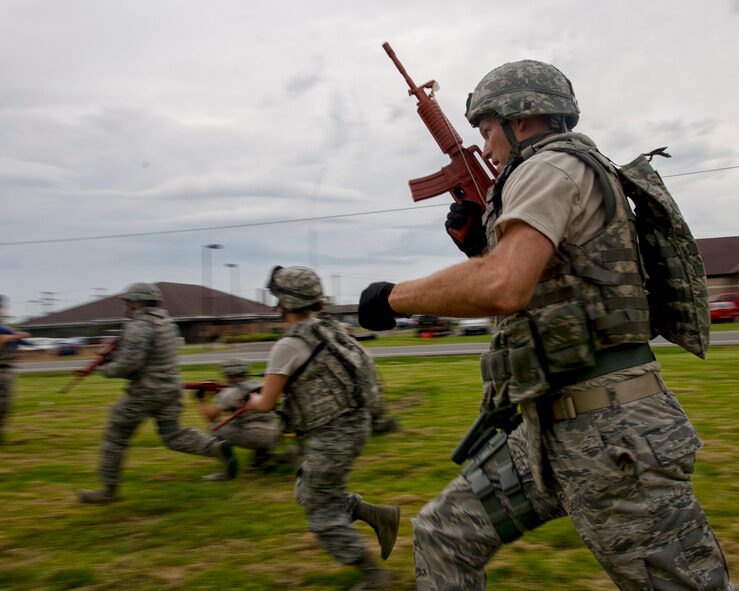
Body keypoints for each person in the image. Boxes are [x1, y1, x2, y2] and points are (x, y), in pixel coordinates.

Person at [359, 60, 735, 590]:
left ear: (524, 118)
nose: (486, 149)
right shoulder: (562, 170)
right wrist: (482, 244)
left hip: (612, 435)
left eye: (488, 131)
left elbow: (503, 286)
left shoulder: (549, 167)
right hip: (550, 426)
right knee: (442, 535)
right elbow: (539, 288)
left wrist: (392, 298)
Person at [243, 265, 400, 591]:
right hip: (355, 424)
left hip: (333, 434)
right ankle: (378, 516)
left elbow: (267, 403)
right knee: (308, 492)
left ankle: (375, 577)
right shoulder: (331, 329)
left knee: (321, 514)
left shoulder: (287, 346)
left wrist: (250, 400)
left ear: (283, 302)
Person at [77, 282, 237, 504]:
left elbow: (129, 365)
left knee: (116, 437)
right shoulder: (167, 323)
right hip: (170, 389)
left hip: (145, 393)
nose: (123, 306)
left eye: (126, 302)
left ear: (136, 302)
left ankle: (108, 490)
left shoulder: (138, 326)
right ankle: (215, 447)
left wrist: (105, 369)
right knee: (173, 435)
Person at [195, 358, 291, 478]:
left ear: (226, 373)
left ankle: (227, 469)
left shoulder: (229, 392)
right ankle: (263, 460)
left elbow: (211, 416)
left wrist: (200, 400)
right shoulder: (262, 385)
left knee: (214, 428)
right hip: (275, 434)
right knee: (251, 424)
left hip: (254, 436)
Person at [0, 295, 32, 446]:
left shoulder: (4, 327)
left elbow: (24, 340)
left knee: (5, 406)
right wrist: (17, 336)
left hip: (6, 369)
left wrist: (18, 336)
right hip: (1, 370)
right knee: (2, 404)